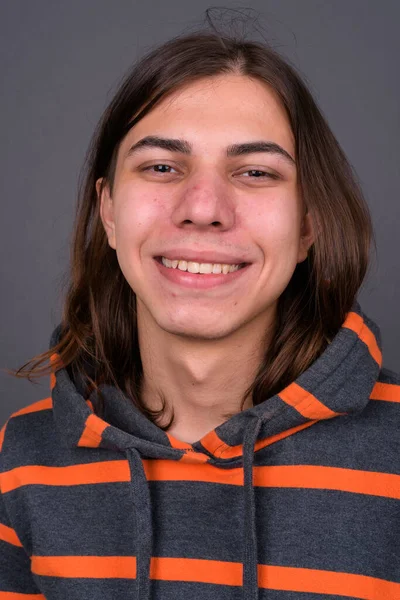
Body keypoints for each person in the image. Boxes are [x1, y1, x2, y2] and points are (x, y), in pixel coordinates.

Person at [1, 22, 399, 600]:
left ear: (309, 224)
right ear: (109, 212)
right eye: (162, 166)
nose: (204, 208)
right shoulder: (22, 461)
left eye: (255, 172)